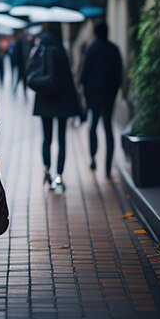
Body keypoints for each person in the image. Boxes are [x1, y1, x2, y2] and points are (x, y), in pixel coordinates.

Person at [29, 22, 80, 192]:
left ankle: (46, 171)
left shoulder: (39, 47)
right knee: (61, 139)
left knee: (47, 139)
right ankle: (59, 176)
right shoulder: (60, 50)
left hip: (44, 99)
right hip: (62, 101)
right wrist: (77, 107)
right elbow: (68, 79)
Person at [79, 21, 123, 178]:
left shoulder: (92, 49)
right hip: (109, 95)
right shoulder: (114, 49)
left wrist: (84, 93)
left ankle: (92, 158)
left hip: (94, 95)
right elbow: (119, 73)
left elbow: (84, 74)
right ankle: (108, 167)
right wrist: (116, 91)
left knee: (93, 126)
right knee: (108, 128)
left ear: (96, 33)